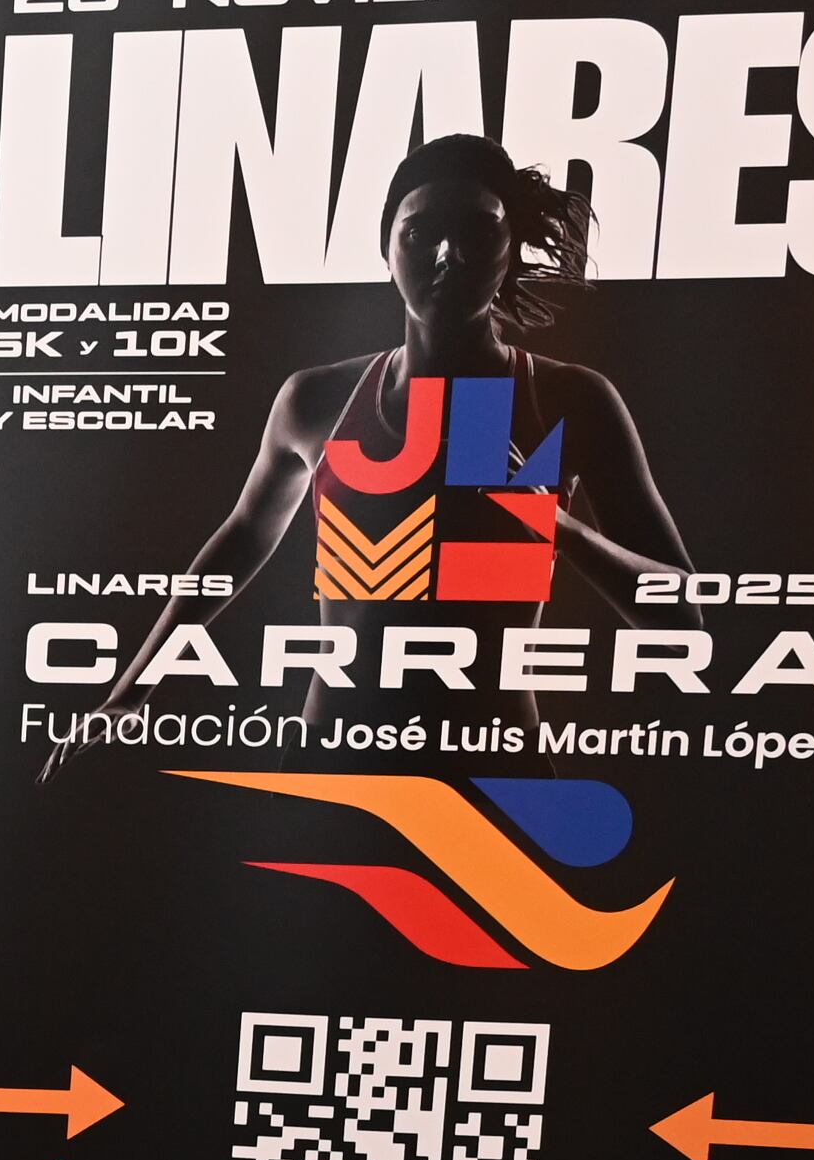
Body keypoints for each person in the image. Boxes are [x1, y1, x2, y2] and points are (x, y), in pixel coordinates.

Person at [66, 133, 694, 764]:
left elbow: (682, 617)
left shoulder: (565, 401)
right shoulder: (317, 400)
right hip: (331, 770)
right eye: (421, 233)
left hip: (496, 774)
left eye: (477, 232)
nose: (448, 254)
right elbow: (241, 541)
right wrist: (128, 693)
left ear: (510, 250)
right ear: (385, 246)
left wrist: (558, 528)